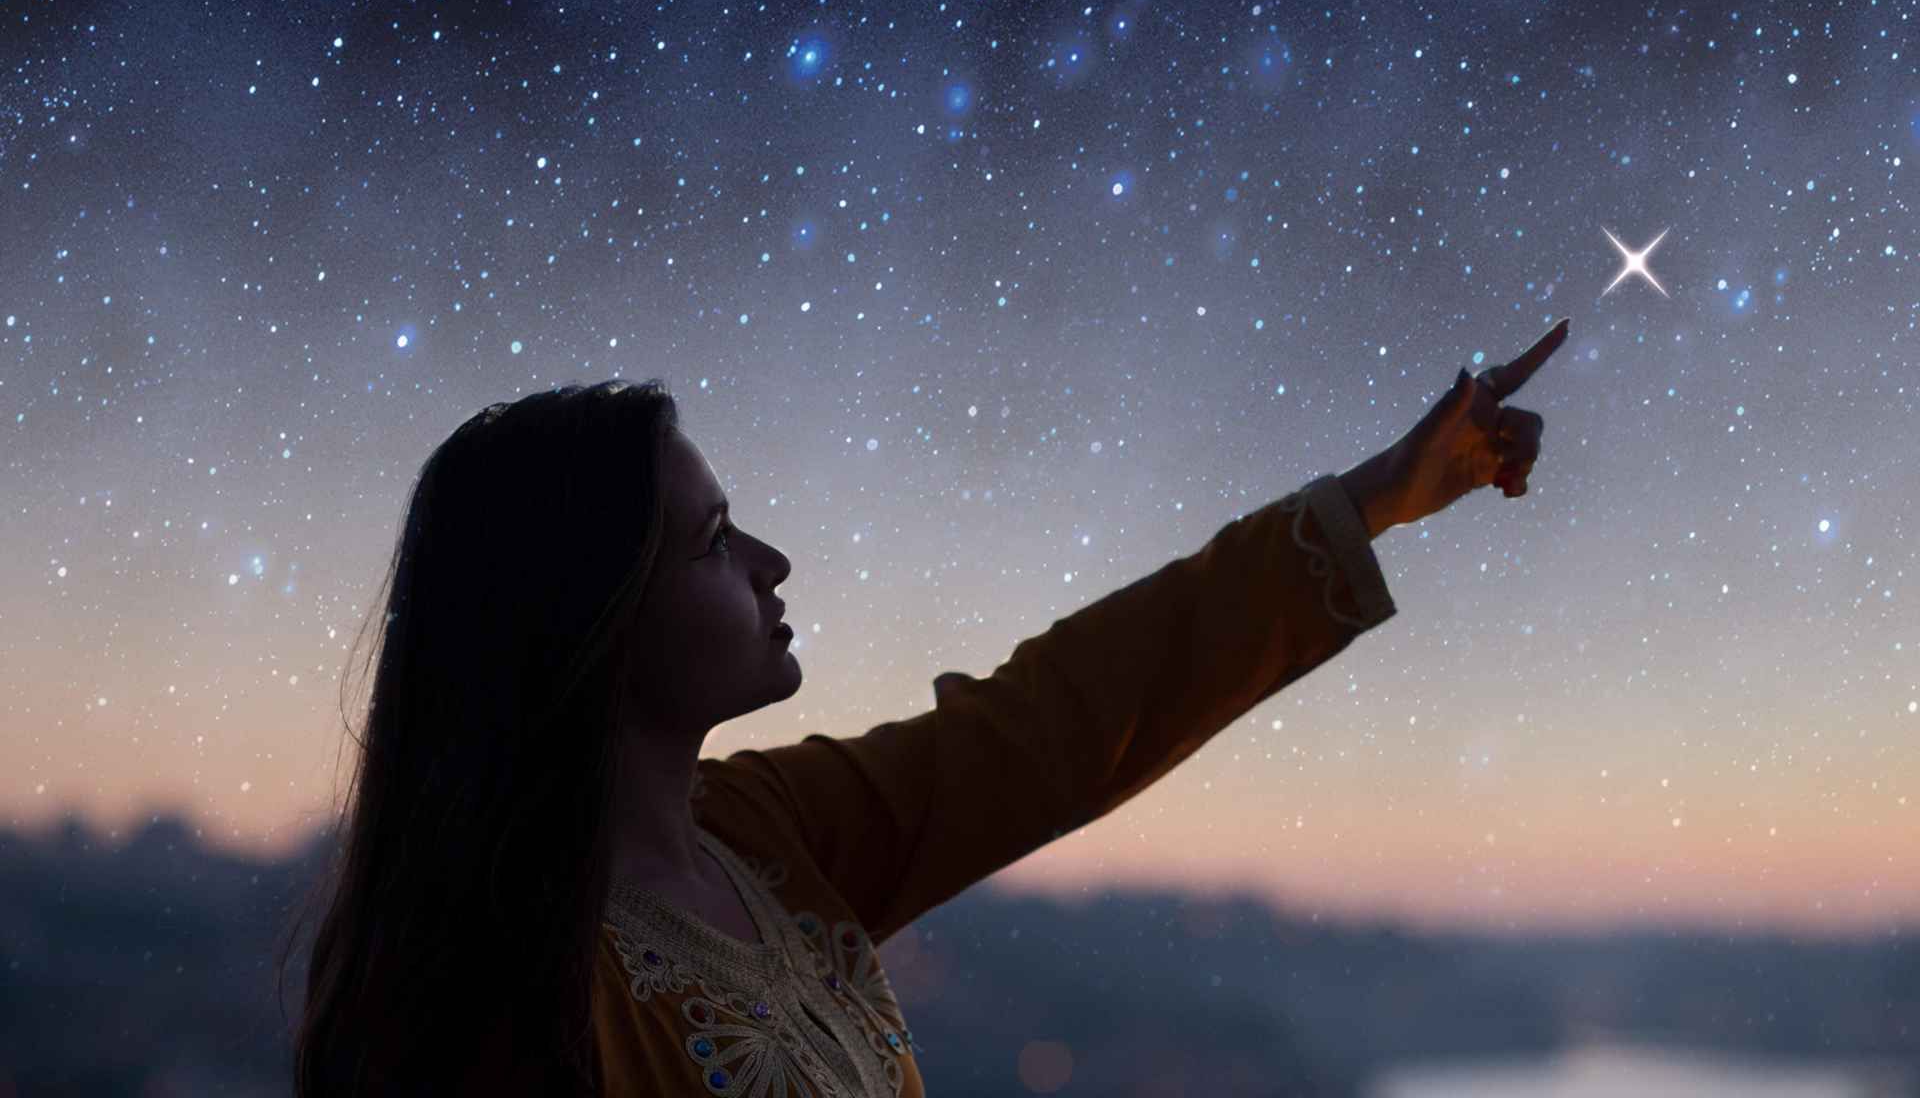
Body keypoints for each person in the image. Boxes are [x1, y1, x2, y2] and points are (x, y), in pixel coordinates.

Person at [277, 319, 1569, 1096]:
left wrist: (1380, 499)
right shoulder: (499, 1001)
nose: (769, 565)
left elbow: (1053, 725)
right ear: (590, 623)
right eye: (714, 540)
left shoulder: (762, 832)